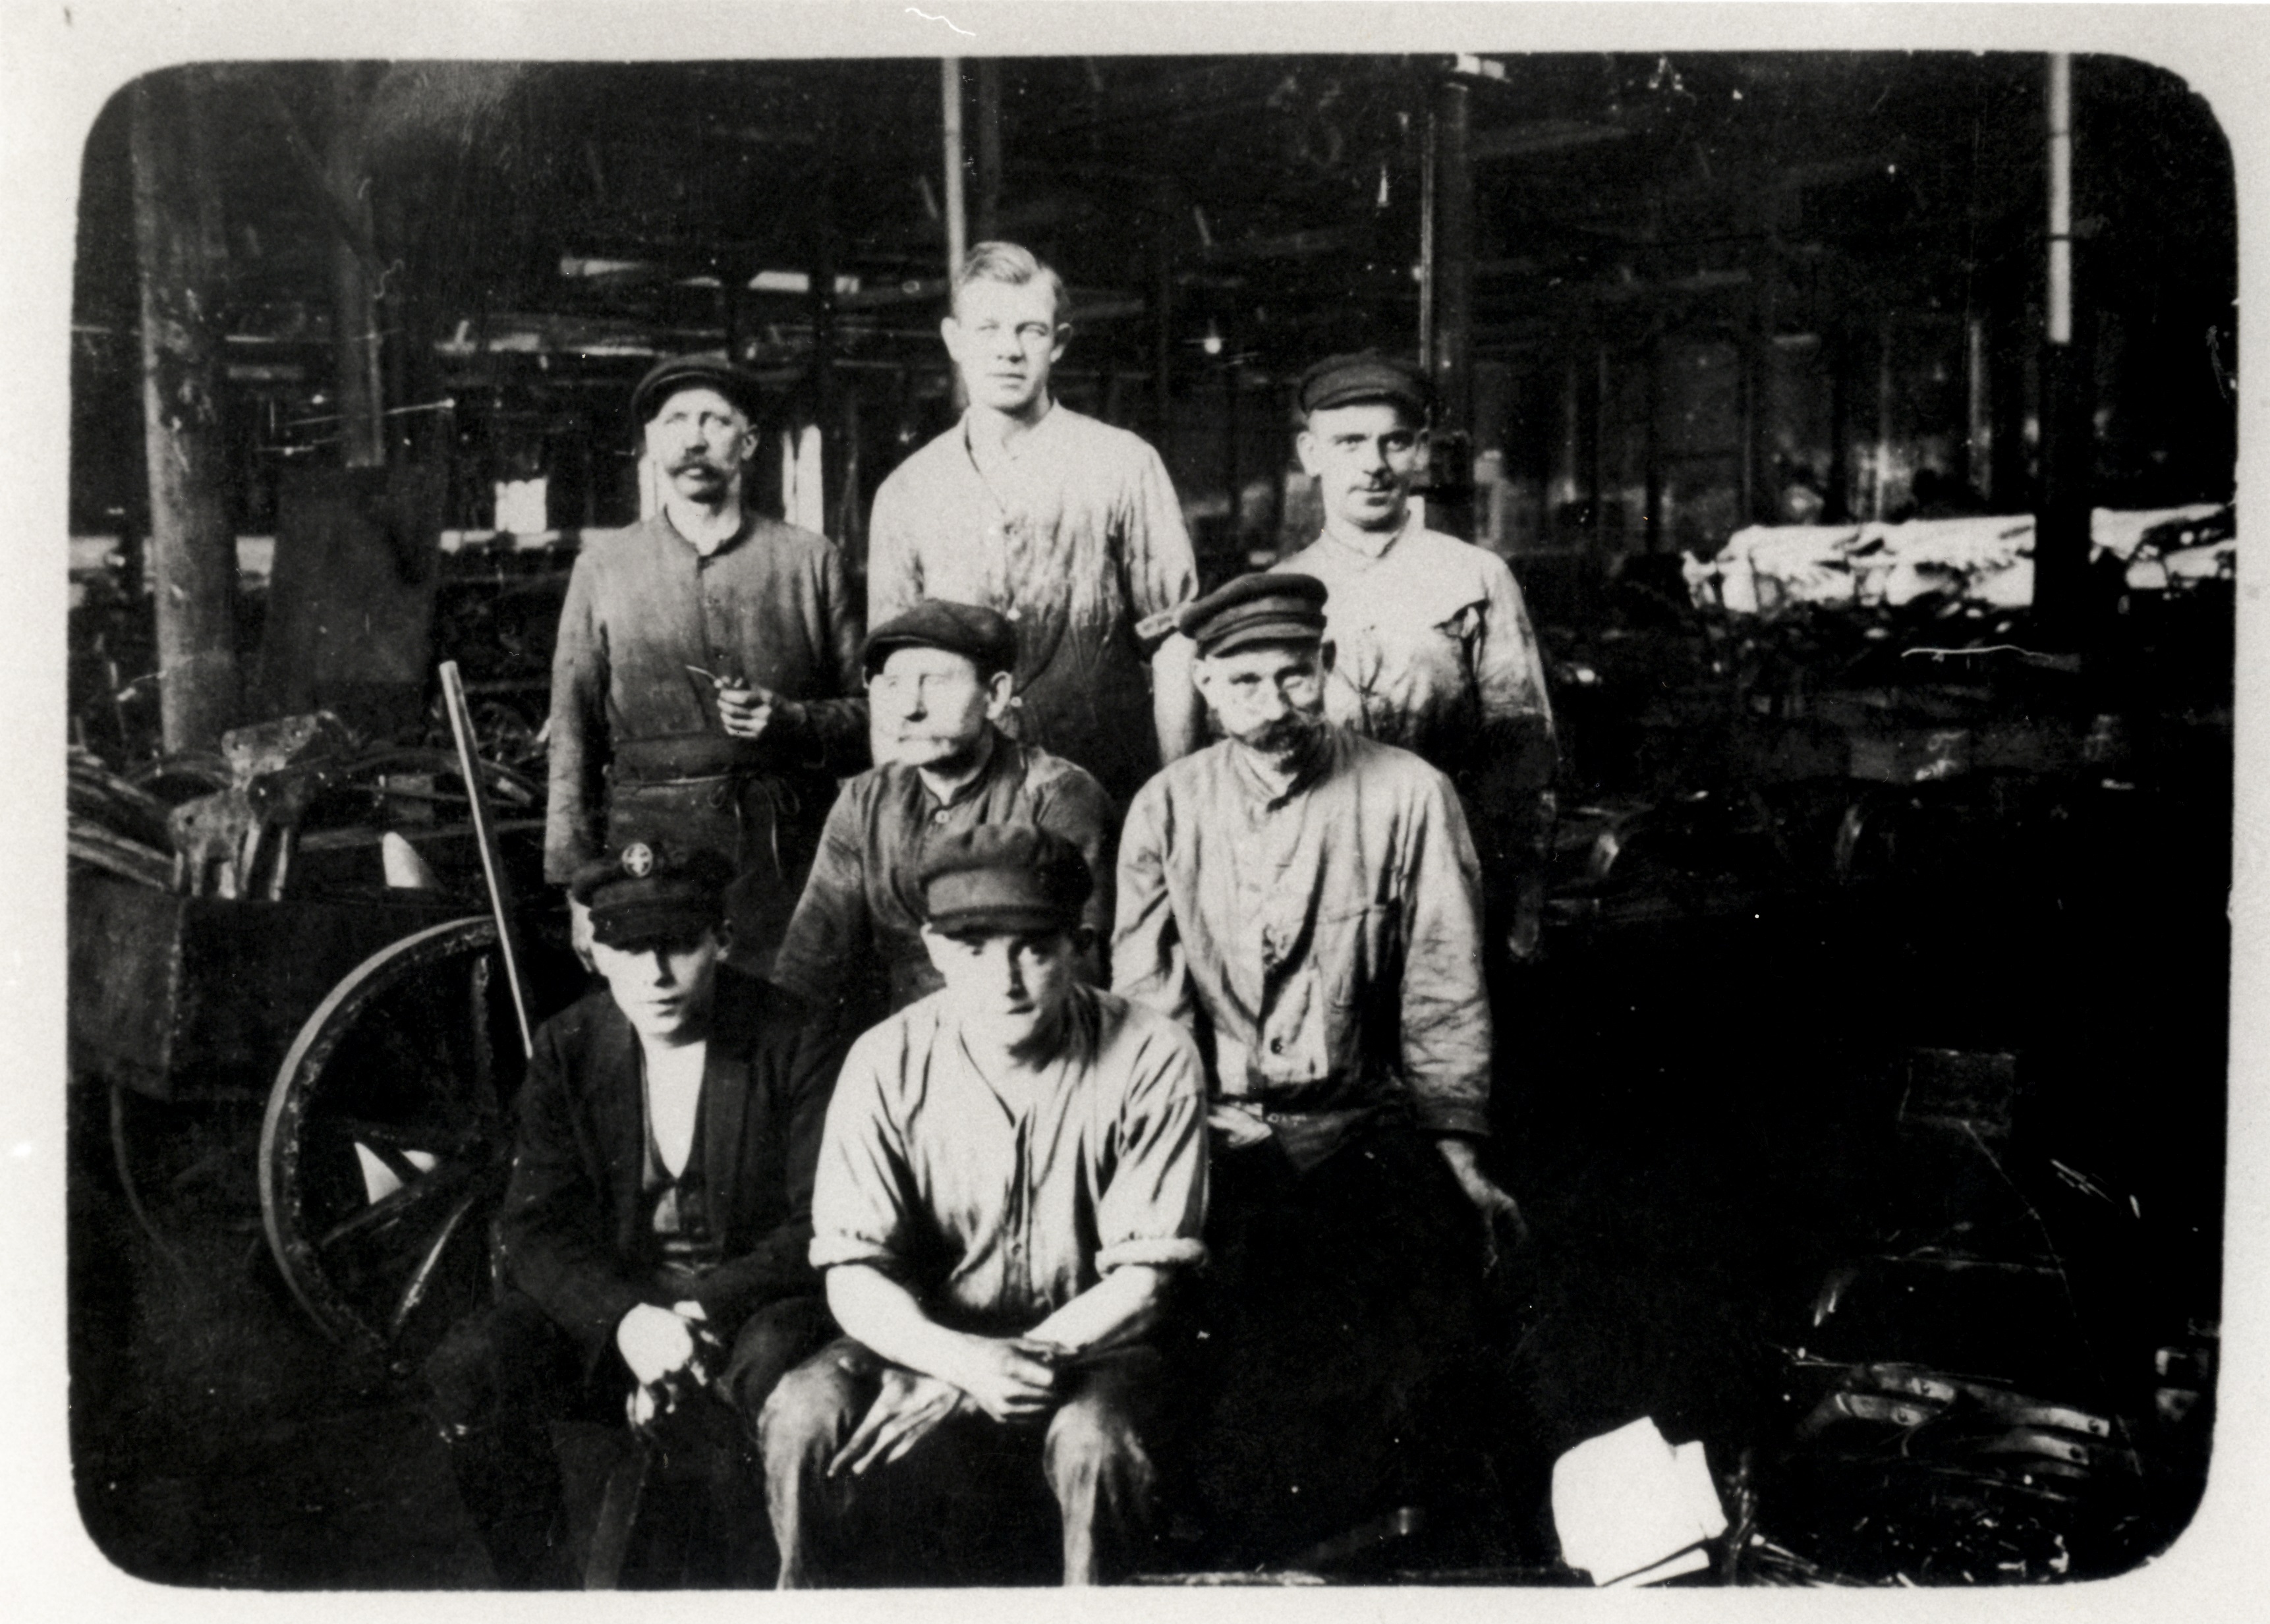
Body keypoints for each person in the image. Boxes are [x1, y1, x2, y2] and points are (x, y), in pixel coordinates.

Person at [1112, 572, 1525, 1561]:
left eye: (1295, 677)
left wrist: (1458, 1149)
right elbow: (1148, 1008)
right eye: (1244, 683)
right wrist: (1192, 1130)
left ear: (1327, 667)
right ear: (1206, 687)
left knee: (1437, 1300)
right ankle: (1235, 1554)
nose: (1274, 706)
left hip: (1363, 1120)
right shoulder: (1165, 809)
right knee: (1220, 1325)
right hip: (1217, 1126)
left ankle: (1412, 1548)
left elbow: (1443, 984)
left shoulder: (1410, 794)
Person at [759, 825, 1209, 1586]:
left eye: (1032, 947)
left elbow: (1145, 1284)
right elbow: (852, 1273)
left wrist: (983, 1373)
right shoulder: (884, 1059)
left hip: (1093, 1347)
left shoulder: (1152, 1051)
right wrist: (962, 1362)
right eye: (973, 948)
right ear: (933, 947)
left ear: (1079, 945)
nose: (1004, 980)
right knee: (804, 1412)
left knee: (1095, 1441)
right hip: (930, 1337)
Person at [423, 841, 845, 1587]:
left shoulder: (793, 1036)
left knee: (758, 1380)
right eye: (627, 949)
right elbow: (536, 1225)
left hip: (745, 1306)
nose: (654, 974)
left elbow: (821, 1222)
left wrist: (698, 1311)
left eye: (678, 945)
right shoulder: (570, 1045)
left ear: (722, 940)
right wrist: (625, 1320)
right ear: (596, 955)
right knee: (473, 1366)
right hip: (624, 1311)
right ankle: (541, 1595)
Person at [545, 351, 867, 970]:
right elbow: (572, 736)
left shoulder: (810, 561)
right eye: (675, 421)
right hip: (650, 852)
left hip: (786, 854)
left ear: (748, 442)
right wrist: (577, 887)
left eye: (714, 421)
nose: (693, 439)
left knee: (789, 1006)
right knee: (668, 1003)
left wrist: (794, 721)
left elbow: (874, 719)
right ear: (650, 442)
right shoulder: (604, 568)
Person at [865, 241, 1203, 810]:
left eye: (1031, 330)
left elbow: (1173, 637)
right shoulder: (907, 490)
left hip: (1109, 791)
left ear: (1059, 342)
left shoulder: (1123, 464)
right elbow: (889, 675)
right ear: (954, 340)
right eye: (988, 329)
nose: (1009, 350)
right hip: (965, 805)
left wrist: (1176, 799)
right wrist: (902, 821)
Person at [1276, 352, 1560, 958]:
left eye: (1395, 441)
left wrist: (1519, 906)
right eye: (1349, 442)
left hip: (1452, 882)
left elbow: (1524, 752)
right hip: (1319, 889)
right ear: (1311, 453)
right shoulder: (1280, 593)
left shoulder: (1474, 577)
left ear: (1422, 449)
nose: (1374, 464)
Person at [769, 599, 1118, 1029]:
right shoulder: (865, 799)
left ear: (995, 695)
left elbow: (1077, 972)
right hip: (904, 1044)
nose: (909, 707)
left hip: (1026, 1035)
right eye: (892, 683)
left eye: (934, 682)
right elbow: (809, 962)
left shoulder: (1058, 795)